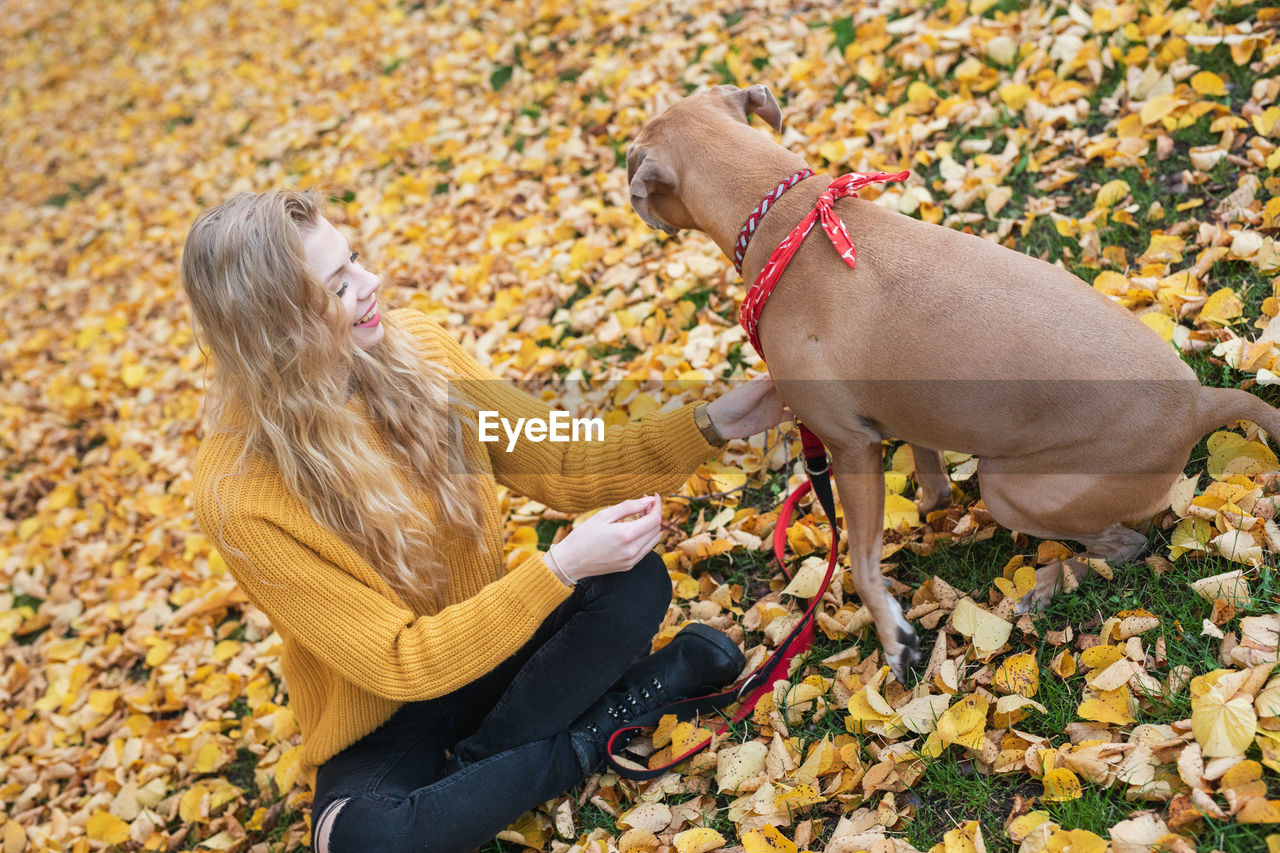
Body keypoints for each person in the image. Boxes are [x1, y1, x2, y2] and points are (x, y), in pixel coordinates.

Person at [180, 189, 787, 852]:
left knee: (632, 580)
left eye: (354, 258)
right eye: (340, 284)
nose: (372, 281)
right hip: (386, 716)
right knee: (359, 840)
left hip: (496, 653)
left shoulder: (421, 356)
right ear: (279, 326)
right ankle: (595, 733)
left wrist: (717, 420)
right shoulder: (236, 492)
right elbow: (397, 661)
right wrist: (558, 568)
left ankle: (478, 778)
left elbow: (565, 459)